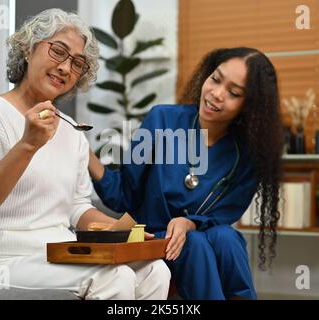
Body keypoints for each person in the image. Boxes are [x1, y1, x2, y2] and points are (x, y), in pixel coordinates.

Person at [0, 8, 170, 300]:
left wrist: (119, 232)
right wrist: (27, 145)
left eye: (77, 63)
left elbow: (77, 207)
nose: (65, 68)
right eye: (58, 51)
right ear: (28, 49)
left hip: (59, 253)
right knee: (114, 278)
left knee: (156, 270)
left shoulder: (71, 130)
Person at [89, 47, 283, 300]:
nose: (216, 94)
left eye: (234, 93)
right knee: (195, 243)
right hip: (153, 239)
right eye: (215, 79)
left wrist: (189, 223)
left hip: (201, 241)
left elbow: (223, 217)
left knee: (227, 238)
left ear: (249, 106)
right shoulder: (162, 120)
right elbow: (124, 194)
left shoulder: (245, 154)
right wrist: (86, 155)